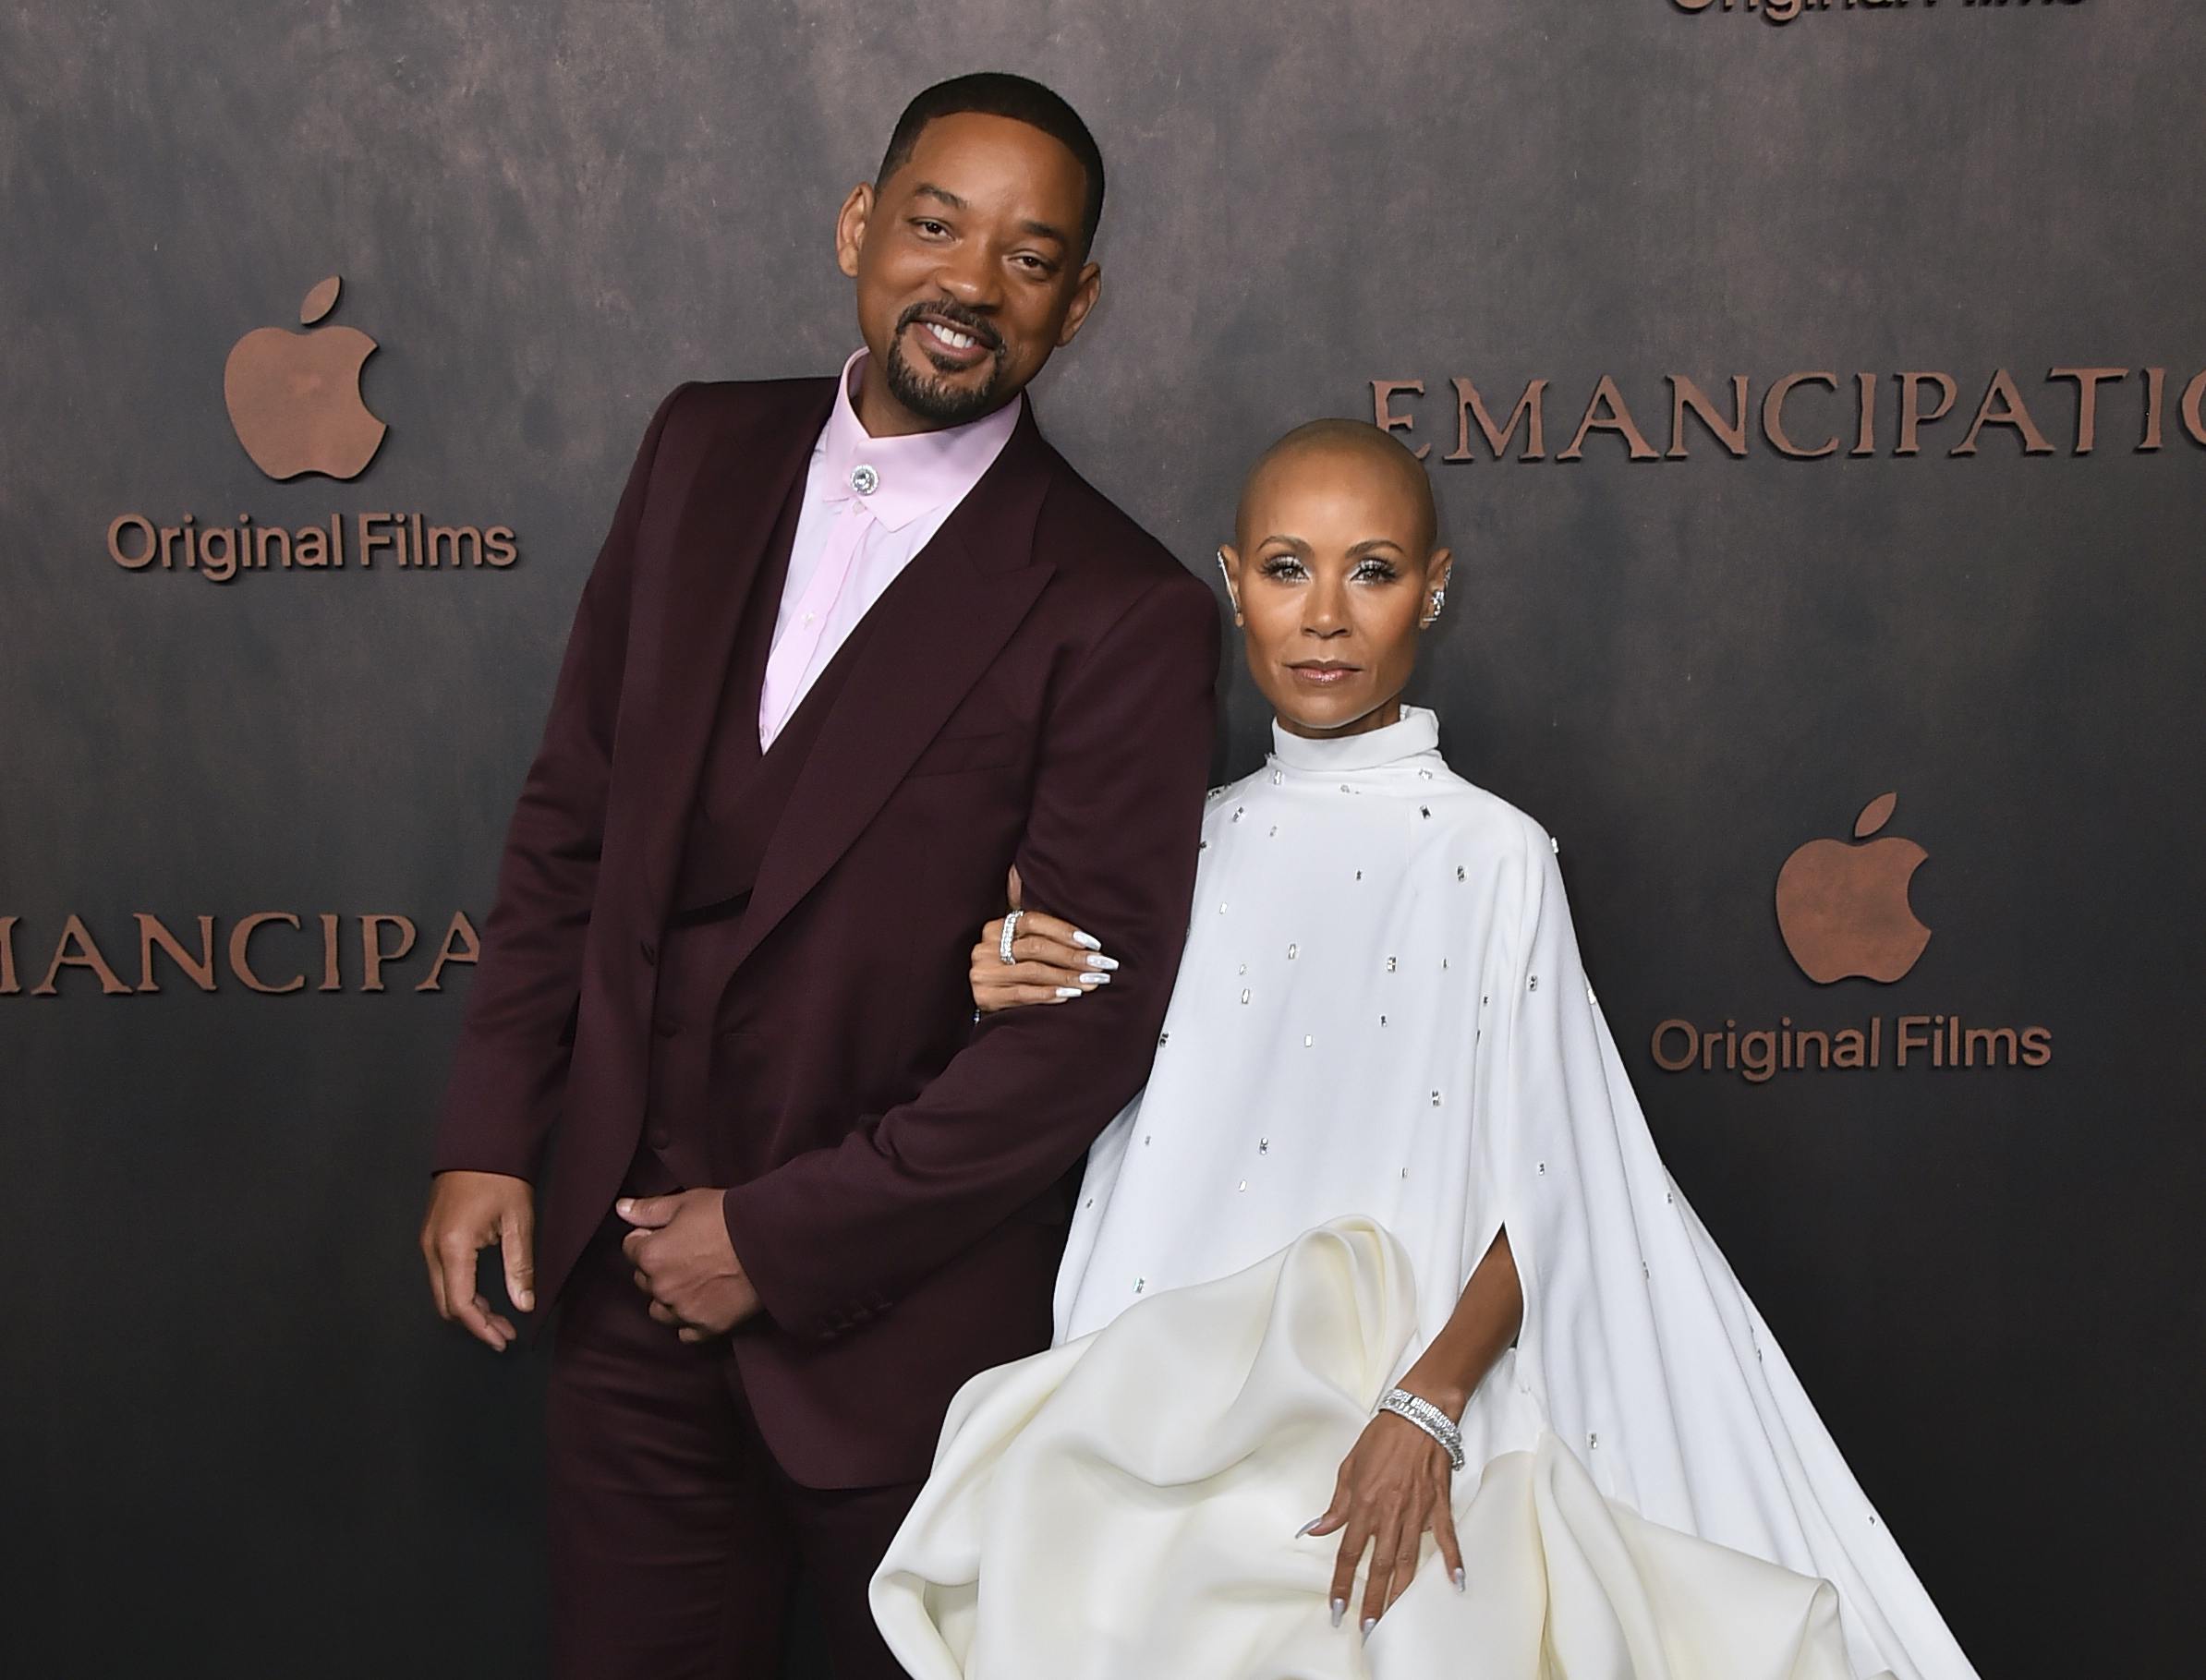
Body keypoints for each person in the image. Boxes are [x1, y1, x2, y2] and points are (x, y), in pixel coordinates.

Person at [870, 421, 1981, 1680]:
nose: (1327, 616)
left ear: (1433, 590)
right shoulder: (1171, 844)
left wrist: (1429, 1404)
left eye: (1375, 570)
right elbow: (1073, 1022)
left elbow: (1564, 1185)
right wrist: (1003, 969)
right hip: (1146, 1407)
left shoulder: (1493, 854)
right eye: (1289, 569)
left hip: (1395, 1407)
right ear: (1233, 585)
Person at [416, 73, 1218, 1680]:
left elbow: (1081, 1036)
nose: (971, 286)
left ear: (1082, 300)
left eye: (1030, 256)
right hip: (622, 1295)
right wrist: (496, 1125)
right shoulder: (701, 446)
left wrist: (777, 1245)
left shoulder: (1123, 608)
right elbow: (574, 809)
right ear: (862, 224)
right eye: (937, 225)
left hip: (907, 1356)